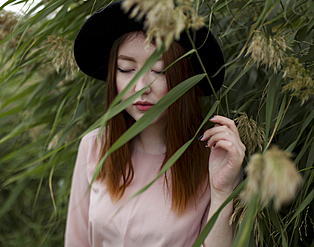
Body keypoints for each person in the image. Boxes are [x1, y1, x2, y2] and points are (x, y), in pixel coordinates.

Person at [65, 1, 245, 246]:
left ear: (183, 76)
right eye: (126, 69)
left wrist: (222, 193)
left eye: (159, 70)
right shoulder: (95, 146)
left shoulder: (213, 159)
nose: (140, 88)